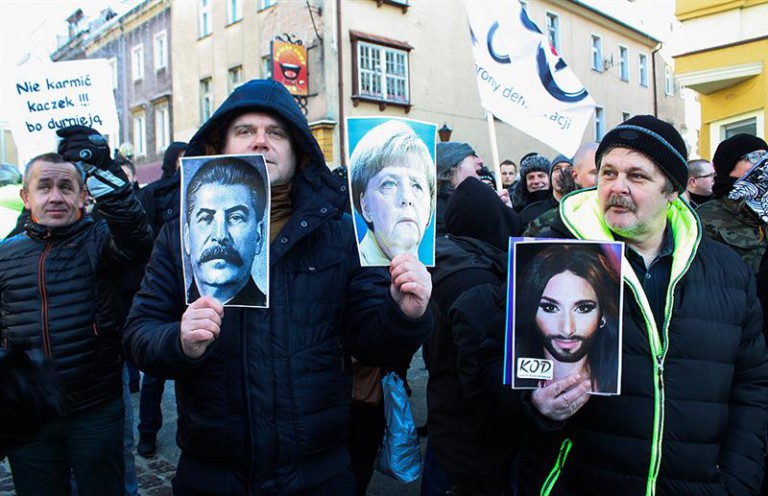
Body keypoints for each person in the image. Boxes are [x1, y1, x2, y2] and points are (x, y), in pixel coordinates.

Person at [123, 79, 433, 495]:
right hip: (213, 472)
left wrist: (404, 313)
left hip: (317, 472)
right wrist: (179, 341)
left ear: (298, 149)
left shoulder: (340, 235)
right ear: (221, 145)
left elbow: (374, 344)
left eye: (276, 133)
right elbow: (138, 333)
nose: (261, 142)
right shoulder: (180, 235)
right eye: (245, 131)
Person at [506, 115, 768, 495]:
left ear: (673, 190)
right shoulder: (550, 257)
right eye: (608, 172)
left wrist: (738, 480)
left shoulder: (728, 272)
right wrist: (535, 407)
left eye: (637, 176)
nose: (617, 187)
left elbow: (752, 386)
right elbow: (491, 374)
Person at [0, 127, 153, 496]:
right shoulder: (5, 255)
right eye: (44, 187)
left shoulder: (99, 240)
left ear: (83, 196)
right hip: (29, 409)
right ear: (25, 196)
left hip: (95, 404)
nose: (55, 197)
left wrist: (103, 169)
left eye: (66, 187)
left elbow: (137, 236)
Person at [423, 177, 521, 496]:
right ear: (489, 219)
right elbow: (478, 378)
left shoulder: (448, 259)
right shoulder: (477, 285)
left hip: (447, 420)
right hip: (472, 441)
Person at [134, 141, 188, 458]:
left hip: (197, 288)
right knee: (155, 371)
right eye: (180, 161)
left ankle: (188, 428)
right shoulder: (154, 193)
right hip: (165, 282)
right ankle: (147, 431)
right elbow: (143, 238)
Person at [513, 244, 620, 394]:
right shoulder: (509, 373)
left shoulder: (619, 377)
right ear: (532, 311)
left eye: (583, 309)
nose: (567, 329)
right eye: (550, 308)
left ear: (603, 314)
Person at [183, 157, 268, 306]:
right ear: (187, 237)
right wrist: (180, 329)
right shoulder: (169, 293)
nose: (220, 236)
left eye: (236, 217)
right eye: (206, 218)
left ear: (259, 236)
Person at [349, 120, 435, 265]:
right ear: (365, 206)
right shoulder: (351, 269)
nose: (406, 198)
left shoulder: (443, 270)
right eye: (389, 185)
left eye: (417, 186)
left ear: (430, 209)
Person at [697, 134, 768, 274]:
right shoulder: (704, 218)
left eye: (766, 157)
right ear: (729, 165)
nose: (764, 164)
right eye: (756, 157)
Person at [434, 141, 483, 234]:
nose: (480, 161)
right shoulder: (436, 213)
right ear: (454, 167)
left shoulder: (476, 201)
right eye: (472, 156)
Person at [519, 154, 572, 228]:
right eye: (557, 169)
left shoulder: (586, 208)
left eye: (569, 168)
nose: (562, 173)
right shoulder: (527, 212)